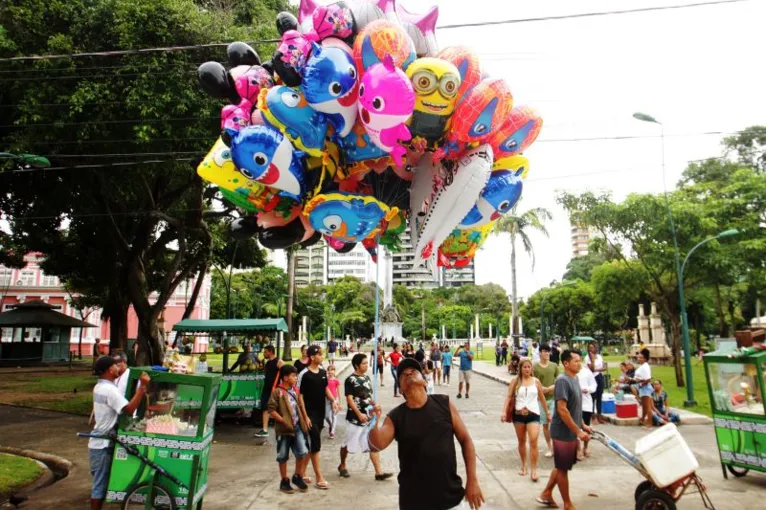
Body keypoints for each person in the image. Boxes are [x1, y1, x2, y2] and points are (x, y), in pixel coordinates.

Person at [369, 358, 485, 509]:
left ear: (424, 381)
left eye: (413, 372)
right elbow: (377, 444)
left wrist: (472, 481)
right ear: (400, 389)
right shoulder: (396, 417)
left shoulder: (443, 403)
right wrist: (373, 422)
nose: (409, 374)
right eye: (403, 375)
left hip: (450, 497)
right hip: (413, 501)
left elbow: (466, 440)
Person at [89, 357, 150, 510]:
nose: (118, 367)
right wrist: (142, 387)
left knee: (101, 485)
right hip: (102, 445)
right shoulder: (109, 390)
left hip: (98, 442)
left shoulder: (100, 387)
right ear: (110, 370)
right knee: (99, 487)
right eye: (115, 365)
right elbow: (129, 409)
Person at [537, 350, 592, 510]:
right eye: (575, 361)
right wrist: (578, 432)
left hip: (571, 431)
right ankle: (567, 504)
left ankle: (546, 493)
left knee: (562, 465)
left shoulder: (575, 379)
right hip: (562, 432)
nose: (579, 363)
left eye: (579, 360)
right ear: (566, 363)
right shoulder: (562, 381)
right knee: (562, 468)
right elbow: (562, 409)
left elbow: (575, 406)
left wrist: (582, 424)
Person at [338, 353, 393, 481]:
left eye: (366, 362)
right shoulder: (350, 380)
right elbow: (350, 400)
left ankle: (379, 472)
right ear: (357, 365)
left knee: (372, 443)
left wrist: (375, 405)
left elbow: (368, 397)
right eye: (363, 363)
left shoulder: (367, 378)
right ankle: (342, 464)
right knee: (347, 443)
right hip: (355, 417)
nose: (366, 365)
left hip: (368, 416)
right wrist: (358, 414)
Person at [501, 359, 550, 482]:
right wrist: (503, 411)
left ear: (531, 369)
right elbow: (508, 397)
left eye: (529, 367)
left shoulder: (536, 382)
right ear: (520, 369)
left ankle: (534, 470)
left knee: (533, 440)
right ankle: (524, 465)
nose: (527, 369)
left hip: (534, 414)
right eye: (525, 367)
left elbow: (542, 398)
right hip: (519, 415)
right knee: (522, 441)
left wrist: (547, 412)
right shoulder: (515, 381)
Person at [297, 345, 338, 489]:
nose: (322, 356)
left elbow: (325, 388)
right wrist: (305, 415)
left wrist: (333, 401)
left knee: (311, 444)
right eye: (319, 354)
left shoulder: (322, 372)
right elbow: (299, 396)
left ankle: (300, 473)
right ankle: (319, 478)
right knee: (315, 445)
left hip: (320, 413)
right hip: (309, 414)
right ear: (312, 357)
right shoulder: (304, 374)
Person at [267, 365, 310, 494]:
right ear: (285, 377)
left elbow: (300, 406)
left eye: (296, 376)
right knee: (283, 455)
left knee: (302, 451)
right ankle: (284, 481)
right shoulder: (277, 392)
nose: (296, 378)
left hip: (297, 427)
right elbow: (271, 409)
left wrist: (305, 418)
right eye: (293, 376)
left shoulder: (295, 390)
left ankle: (297, 476)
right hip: (284, 430)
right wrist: (282, 420)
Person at [533, 344, 559, 459]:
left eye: (548, 351)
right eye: (544, 351)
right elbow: (533, 381)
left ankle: (555, 446)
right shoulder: (535, 367)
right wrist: (541, 389)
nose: (547, 353)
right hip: (540, 399)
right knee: (545, 424)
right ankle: (549, 447)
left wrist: (550, 388)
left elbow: (558, 380)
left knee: (553, 423)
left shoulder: (554, 366)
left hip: (553, 398)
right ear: (540, 353)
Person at [256, 345, 284, 438]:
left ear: (271, 351)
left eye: (265, 352)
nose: (264, 354)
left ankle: (284, 428)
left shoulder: (278, 361)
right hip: (267, 388)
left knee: (276, 409)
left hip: (274, 389)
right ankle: (264, 429)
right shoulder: (268, 363)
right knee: (265, 408)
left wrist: (281, 387)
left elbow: (286, 371)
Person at [576, 360, 597, 460]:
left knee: (586, 427)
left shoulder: (587, 372)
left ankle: (585, 447)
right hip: (575, 403)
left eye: (577, 360)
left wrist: (587, 389)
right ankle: (578, 449)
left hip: (586, 403)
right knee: (576, 426)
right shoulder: (570, 373)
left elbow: (594, 386)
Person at [586, 342, 607, 424]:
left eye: (593, 347)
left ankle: (599, 416)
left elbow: (604, 367)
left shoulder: (599, 357)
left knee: (599, 397)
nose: (591, 349)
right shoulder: (587, 358)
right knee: (593, 398)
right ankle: (592, 416)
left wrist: (597, 369)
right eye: (590, 348)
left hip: (600, 377)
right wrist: (593, 360)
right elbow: (591, 369)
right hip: (592, 378)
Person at [635, 349, 653, 430]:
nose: (639, 359)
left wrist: (641, 384)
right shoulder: (642, 366)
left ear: (645, 359)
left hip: (645, 388)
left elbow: (648, 379)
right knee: (644, 406)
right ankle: (643, 419)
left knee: (648, 407)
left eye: (641, 358)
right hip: (642, 388)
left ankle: (649, 424)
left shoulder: (645, 367)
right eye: (638, 357)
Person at [326, 364, 341, 439]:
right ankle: (331, 425)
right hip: (327, 399)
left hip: (335, 399)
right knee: (327, 416)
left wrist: (339, 402)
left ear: (334, 371)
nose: (330, 371)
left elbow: (338, 391)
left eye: (332, 370)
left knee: (334, 416)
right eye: (329, 370)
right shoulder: (325, 380)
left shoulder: (336, 381)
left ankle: (332, 432)